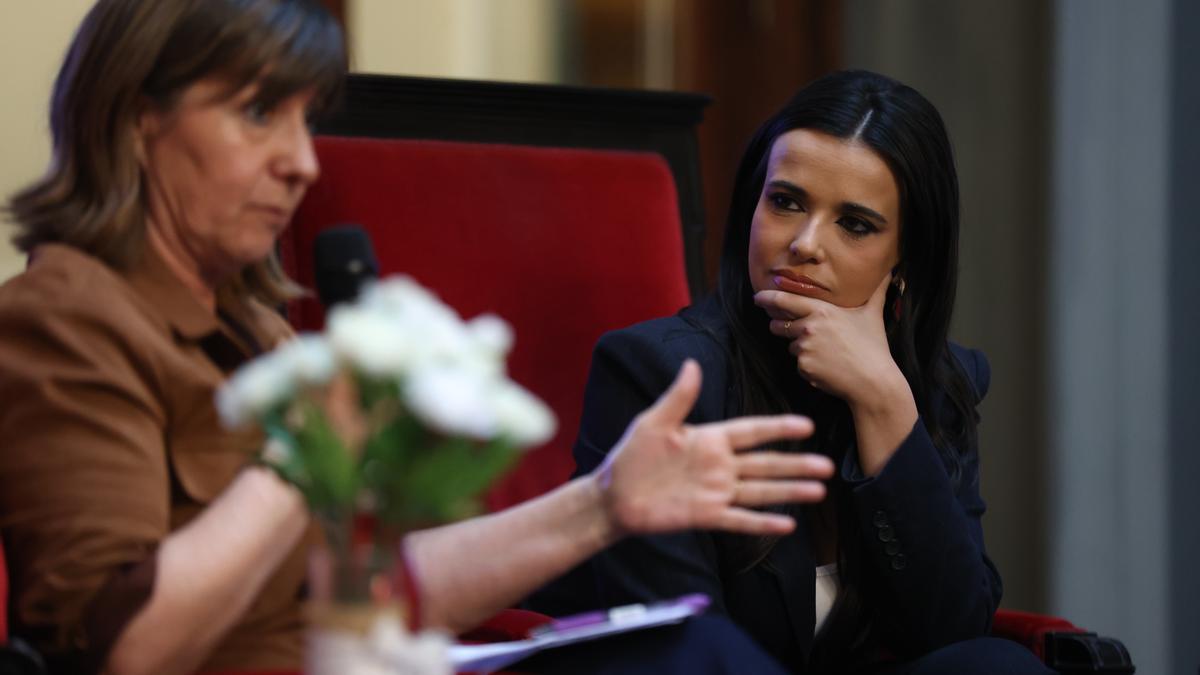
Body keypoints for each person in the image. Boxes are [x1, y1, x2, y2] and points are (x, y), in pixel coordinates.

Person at [0, 2, 837, 674]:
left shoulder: (244, 324)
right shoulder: (69, 316)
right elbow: (123, 649)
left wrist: (604, 503)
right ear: (139, 119)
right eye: (258, 113)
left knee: (695, 653)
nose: (302, 163)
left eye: (305, 121)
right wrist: (304, 451)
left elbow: (372, 597)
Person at [530, 70, 1055, 674]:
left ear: (906, 258)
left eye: (854, 224)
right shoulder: (656, 372)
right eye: (786, 202)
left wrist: (884, 401)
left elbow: (953, 628)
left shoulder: (938, 383)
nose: (806, 243)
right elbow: (684, 645)